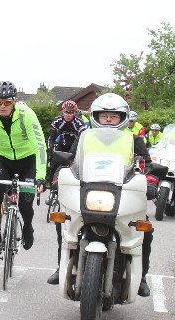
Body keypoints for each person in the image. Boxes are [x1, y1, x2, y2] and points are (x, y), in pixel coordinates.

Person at [62, 92, 154, 296]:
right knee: (65, 222)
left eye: (114, 116)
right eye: (104, 116)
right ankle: (60, 266)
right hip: (87, 190)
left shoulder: (134, 140)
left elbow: (148, 165)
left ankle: (141, 277)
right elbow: (69, 161)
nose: (109, 120)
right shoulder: (85, 138)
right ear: (96, 117)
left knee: (144, 228)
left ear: (123, 118)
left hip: (122, 192)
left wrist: (151, 181)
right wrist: (59, 175)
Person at [0, 81, 47, 260]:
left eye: (7, 102)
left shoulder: (27, 115)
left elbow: (40, 146)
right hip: (5, 160)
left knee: (25, 205)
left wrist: (41, 176)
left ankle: (28, 227)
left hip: (28, 161)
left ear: (15, 101)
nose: (2, 106)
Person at [45, 100, 88, 284]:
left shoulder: (80, 123)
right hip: (62, 148)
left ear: (75, 113)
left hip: (74, 151)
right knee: (54, 164)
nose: (68, 116)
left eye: (71, 113)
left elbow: (81, 142)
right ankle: (51, 188)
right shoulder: (58, 121)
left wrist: (72, 157)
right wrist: (50, 150)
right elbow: (51, 136)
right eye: (66, 113)